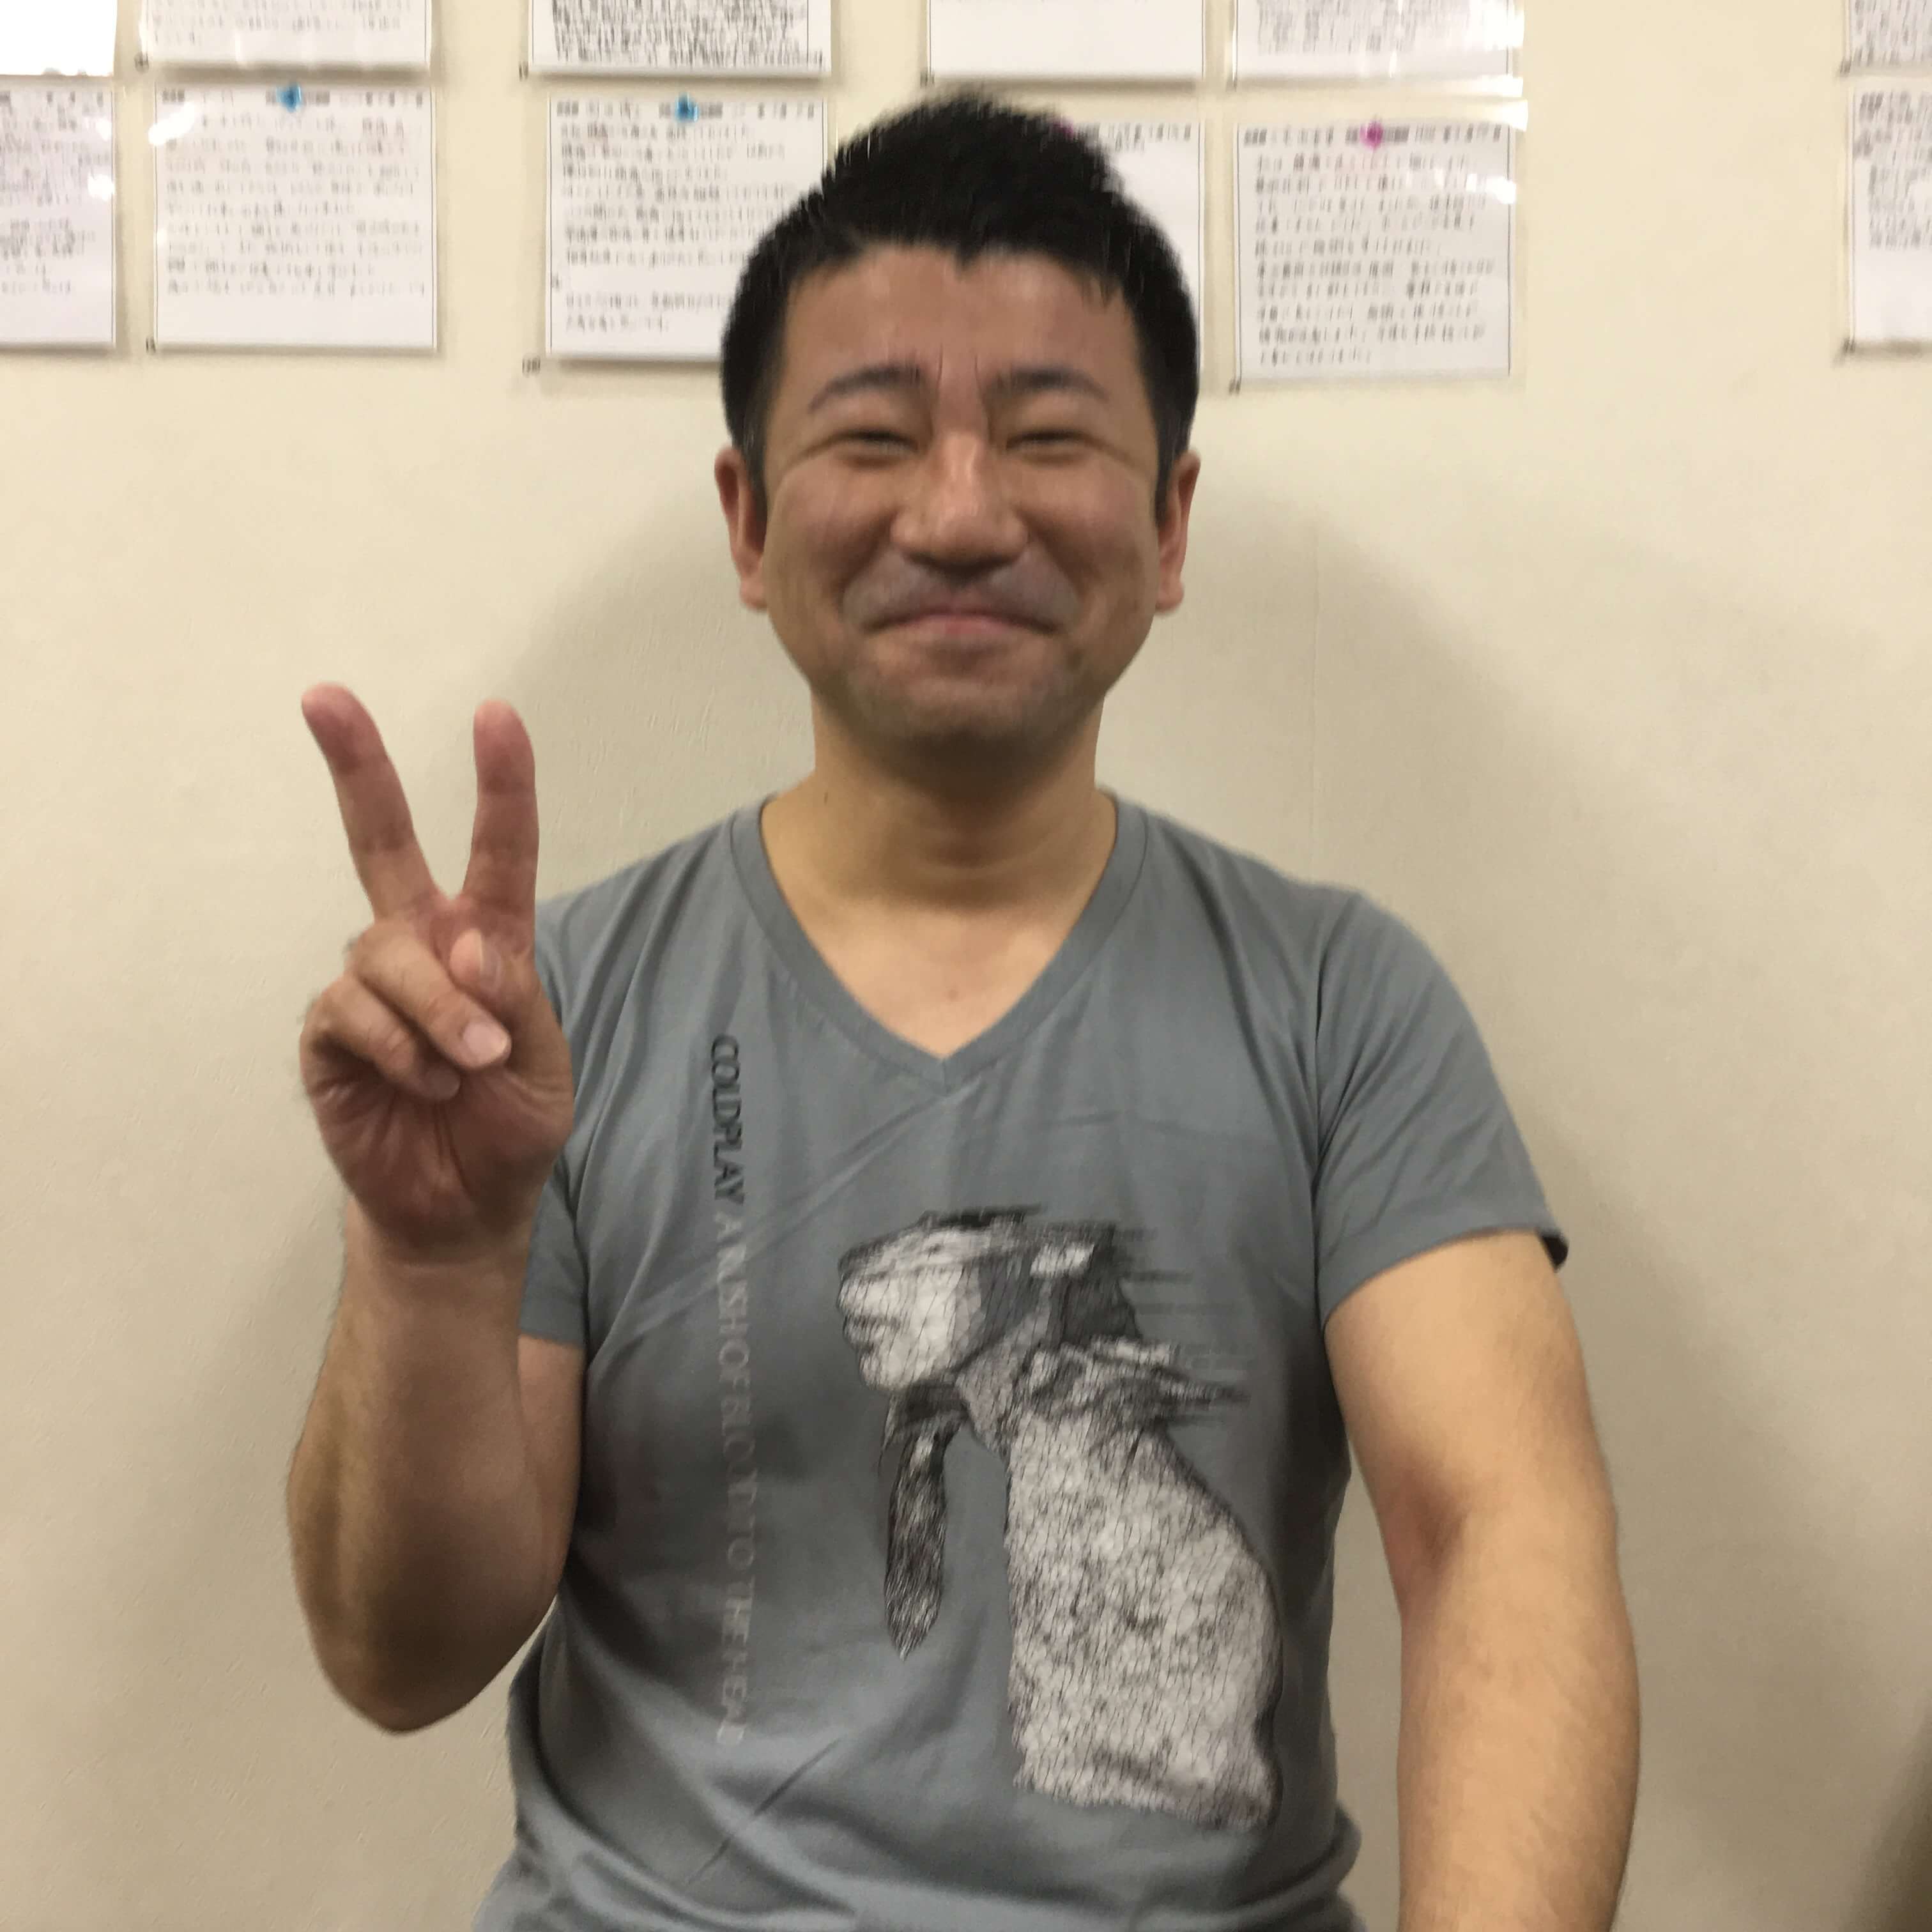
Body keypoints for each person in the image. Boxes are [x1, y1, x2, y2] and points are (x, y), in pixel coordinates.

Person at [287, 88, 1639, 1932]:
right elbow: (400, 1658)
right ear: (749, 521)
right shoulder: (550, 1015)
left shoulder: (1342, 1003)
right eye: (871, 435)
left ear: (1168, 522)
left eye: (1048, 434)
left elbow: (1502, 1538)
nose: (958, 510)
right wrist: (432, 1263)